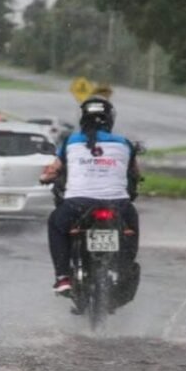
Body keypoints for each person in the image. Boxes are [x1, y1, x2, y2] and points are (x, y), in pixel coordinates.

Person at [39, 97, 141, 311]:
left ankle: (63, 277)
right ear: (110, 119)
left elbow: (53, 170)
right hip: (118, 205)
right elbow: (135, 174)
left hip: (77, 205)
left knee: (55, 224)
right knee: (131, 227)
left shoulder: (70, 142)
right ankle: (125, 268)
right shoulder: (124, 144)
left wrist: (45, 177)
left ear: (83, 119)